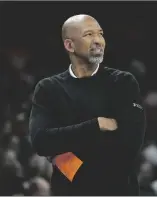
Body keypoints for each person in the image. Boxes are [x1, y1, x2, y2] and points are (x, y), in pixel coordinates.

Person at [29, 14, 146, 195]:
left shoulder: (122, 83)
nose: (98, 40)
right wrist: (96, 125)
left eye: (100, 34)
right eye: (89, 35)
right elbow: (41, 142)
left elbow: (129, 145)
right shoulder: (48, 88)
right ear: (69, 45)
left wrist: (63, 149)